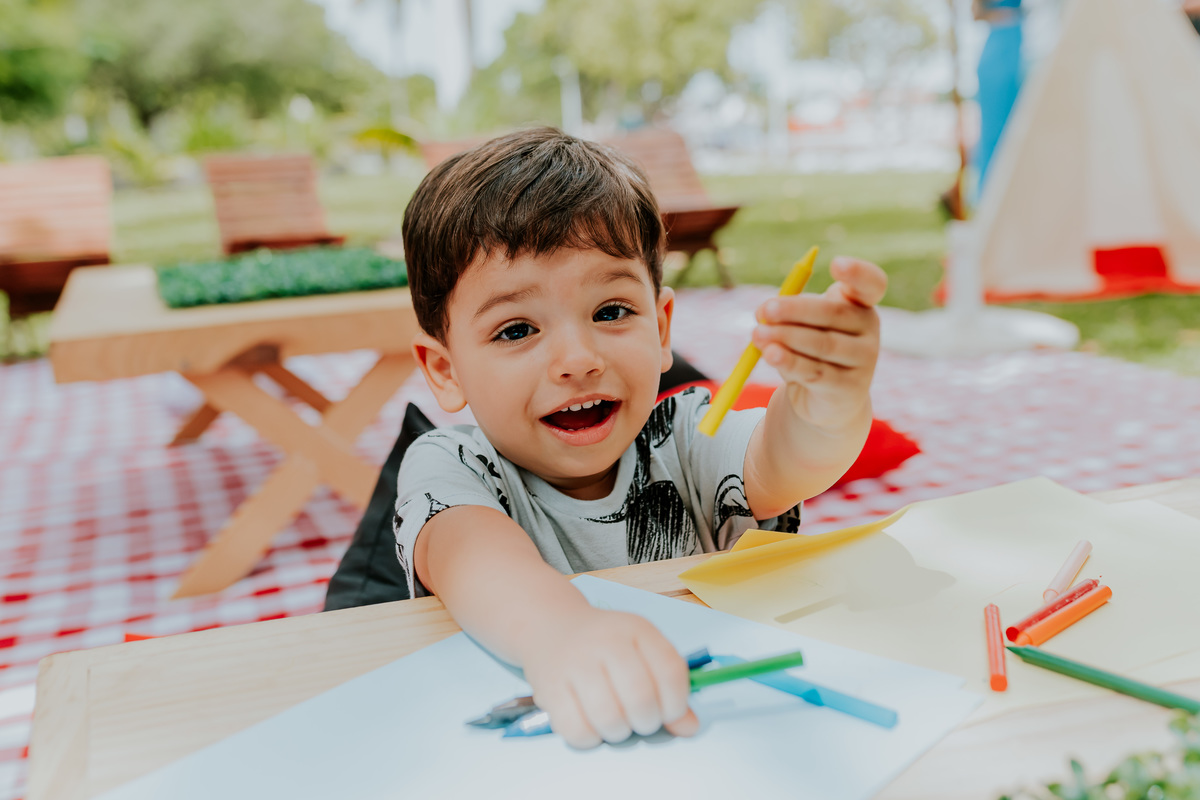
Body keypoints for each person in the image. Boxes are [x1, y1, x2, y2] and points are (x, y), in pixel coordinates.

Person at [396, 127, 887, 749]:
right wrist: (562, 634)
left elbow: (790, 458)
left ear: (661, 329)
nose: (577, 359)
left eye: (610, 312)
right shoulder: (450, 466)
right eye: (517, 329)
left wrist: (830, 399)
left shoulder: (687, 434)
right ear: (445, 369)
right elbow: (473, 559)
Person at [973, 0, 1025, 196]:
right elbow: (976, 13)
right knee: (994, 133)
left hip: (1019, 44)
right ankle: (989, 196)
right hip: (998, 51)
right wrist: (1007, 16)